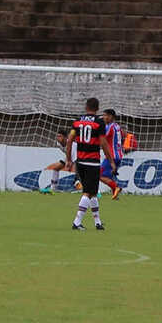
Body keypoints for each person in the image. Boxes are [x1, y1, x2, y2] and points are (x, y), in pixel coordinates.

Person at [65, 98, 116, 231]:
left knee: (92, 192)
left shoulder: (77, 122)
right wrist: (111, 161)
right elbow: (104, 143)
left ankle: (97, 223)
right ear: (97, 108)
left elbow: (69, 141)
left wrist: (69, 159)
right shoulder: (99, 123)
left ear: (86, 107)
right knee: (88, 192)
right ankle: (76, 222)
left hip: (80, 162)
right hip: (92, 162)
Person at [39, 129, 77, 194]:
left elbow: (74, 158)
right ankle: (53, 188)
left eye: (60, 136)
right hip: (68, 156)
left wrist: (69, 163)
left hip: (79, 155)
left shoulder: (72, 146)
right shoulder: (58, 144)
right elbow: (67, 154)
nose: (58, 138)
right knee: (56, 168)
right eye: (57, 136)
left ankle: (81, 189)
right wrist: (67, 161)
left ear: (65, 138)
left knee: (77, 171)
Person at [101, 109, 124, 200]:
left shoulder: (109, 127)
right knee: (109, 176)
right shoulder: (117, 126)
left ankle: (116, 187)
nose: (104, 117)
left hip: (111, 156)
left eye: (105, 115)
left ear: (111, 116)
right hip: (118, 155)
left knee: (101, 175)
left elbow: (102, 138)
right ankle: (115, 194)